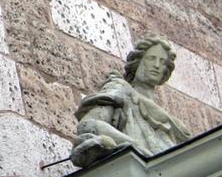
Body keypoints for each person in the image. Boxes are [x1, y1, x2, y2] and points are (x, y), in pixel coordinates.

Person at [70, 36, 192, 167]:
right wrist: (134, 146)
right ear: (138, 62)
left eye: (162, 62)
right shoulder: (120, 90)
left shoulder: (175, 127)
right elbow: (88, 125)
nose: (157, 65)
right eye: (151, 58)